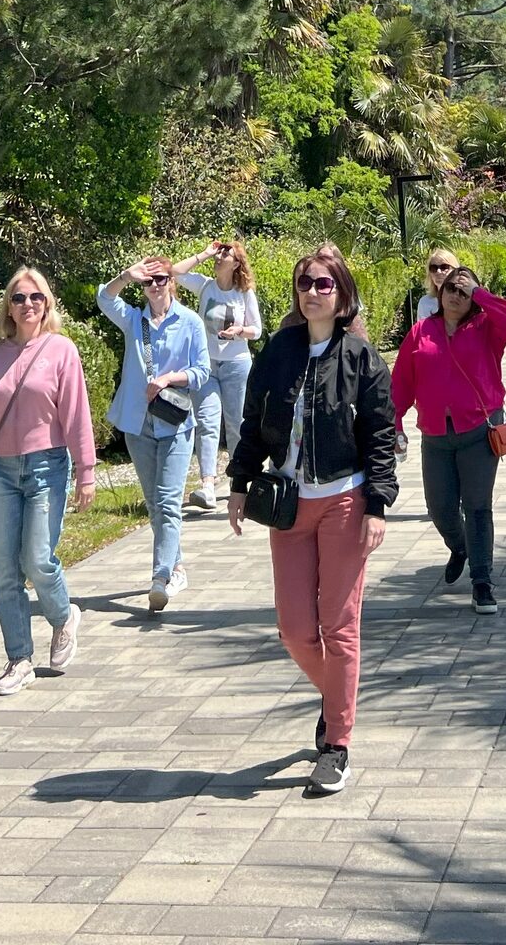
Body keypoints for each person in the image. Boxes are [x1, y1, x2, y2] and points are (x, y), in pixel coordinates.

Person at [227, 244, 398, 798]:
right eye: (305, 283)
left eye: (324, 284)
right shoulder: (279, 351)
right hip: (289, 505)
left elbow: (380, 435)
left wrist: (377, 505)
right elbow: (254, 421)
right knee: (295, 630)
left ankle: (337, 743)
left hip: (345, 501)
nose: (313, 292)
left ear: (342, 293)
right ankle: (337, 698)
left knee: (338, 627)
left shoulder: (361, 358)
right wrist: (239, 482)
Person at [0, 266, 97, 696]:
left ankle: (63, 615)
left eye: (36, 297)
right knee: (4, 572)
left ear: (47, 303)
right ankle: (19, 659)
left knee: (37, 559)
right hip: (0, 471)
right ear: (9, 308)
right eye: (19, 298)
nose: (28, 304)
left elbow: (76, 414)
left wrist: (86, 471)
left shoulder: (61, 350)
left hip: (46, 467)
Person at [390, 263, 506, 614]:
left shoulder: (487, 327)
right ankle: (460, 546)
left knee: (477, 507)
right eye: (451, 288)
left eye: (464, 291)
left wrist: (479, 292)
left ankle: (482, 581)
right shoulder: (421, 331)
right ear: (440, 292)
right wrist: (396, 423)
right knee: (440, 509)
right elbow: (401, 382)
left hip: (479, 430)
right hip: (435, 436)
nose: (456, 295)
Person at [97, 256, 209, 613]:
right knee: (154, 503)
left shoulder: (190, 322)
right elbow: (104, 298)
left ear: (172, 281)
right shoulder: (134, 320)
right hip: (138, 423)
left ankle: (160, 578)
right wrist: (124, 276)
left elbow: (202, 371)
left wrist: (169, 379)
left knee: (168, 500)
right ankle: (177, 567)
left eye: (161, 279)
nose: (155, 286)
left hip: (175, 423)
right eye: (148, 281)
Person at [173, 240, 263, 511]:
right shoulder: (205, 286)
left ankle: (239, 483)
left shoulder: (244, 293)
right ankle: (208, 487)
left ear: (236, 264)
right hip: (206, 366)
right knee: (207, 422)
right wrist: (204, 253)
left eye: (226, 254)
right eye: (219, 252)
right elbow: (175, 271)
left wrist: (239, 331)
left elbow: (257, 330)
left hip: (236, 364)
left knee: (236, 424)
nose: (220, 256)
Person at [415, 248, 463, 323]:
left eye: (444, 267)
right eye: (433, 268)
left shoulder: (465, 299)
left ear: (455, 271)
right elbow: (422, 329)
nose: (438, 271)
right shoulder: (425, 302)